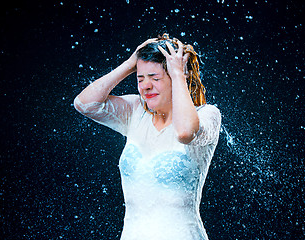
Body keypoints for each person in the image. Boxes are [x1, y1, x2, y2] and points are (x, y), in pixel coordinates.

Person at [73, 33, 221, 240]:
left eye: (155, 78)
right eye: (140, 78)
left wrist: (179, 74)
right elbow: (84, 104)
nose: (145, 86)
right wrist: (130, 63)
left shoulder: (206, 114)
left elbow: (185, 132)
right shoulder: (135, 111)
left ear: (178, 75)